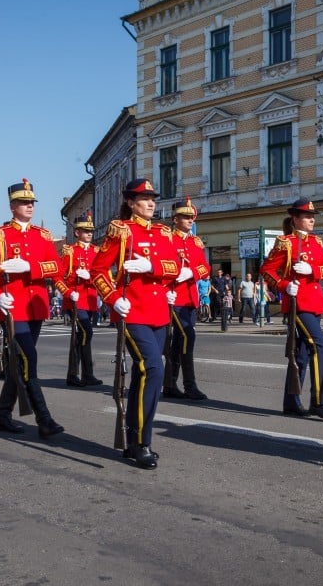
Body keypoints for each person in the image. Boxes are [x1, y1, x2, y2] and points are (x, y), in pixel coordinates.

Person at [92, 178, 180, 469]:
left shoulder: (163, 231)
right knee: (153, 368)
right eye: (143, 198)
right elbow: (98, 270)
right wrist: (114, 297)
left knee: (145, 376)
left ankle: (132, 440)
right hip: (132, 312)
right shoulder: (120, 230)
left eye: (152, 197)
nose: (151, 202)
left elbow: (175, 267)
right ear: (130, 202)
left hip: (158, 313)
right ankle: (142, 441)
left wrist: (151, 267)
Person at [0, 179, 64, 438]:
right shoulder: (0, 235)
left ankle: (3, 415)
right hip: (12, 308)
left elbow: (56, 267)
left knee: (20, 363)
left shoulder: (42, 235)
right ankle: (44, 419)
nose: (29, 206)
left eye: (32, 202)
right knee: (28, 361)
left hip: (35, 307)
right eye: (24, 202)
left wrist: (30, 267)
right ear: (12, 206)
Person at [260, 197, 323, 421]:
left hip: (314, 303)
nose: (311, 220)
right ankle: (319, 402)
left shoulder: (317, 242)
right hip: (298, 304)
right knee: (321, 346)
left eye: (313, 216)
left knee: (302, 354)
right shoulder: (286, 242)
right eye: (307, 216)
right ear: (295, 219)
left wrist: (311, 269)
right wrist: (284, 285)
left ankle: (291, 402)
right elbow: (266, 270)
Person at [163, 197, 210, 400]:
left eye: (192, 217)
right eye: (186, 217)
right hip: (174, 297)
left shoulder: (194, 241)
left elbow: (205, 267)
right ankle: (189, 385)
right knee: (187, 337)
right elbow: (161, 266)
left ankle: (170, 384)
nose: (190, 220)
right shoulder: (167, 239)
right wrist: (166, 288)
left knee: (178, 343)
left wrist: (192, 272)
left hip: (190, 297)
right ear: (175, 219)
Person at [56, 211, 103, 388]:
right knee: (86, 333)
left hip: (90, 299)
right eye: (85, 231)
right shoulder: (69, 251)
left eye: (91, 230)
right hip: (75, 300)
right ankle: (86, 373)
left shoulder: (96, 251)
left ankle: (74, 374)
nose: (89, 234)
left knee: (80, 337)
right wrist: (67, 293)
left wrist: (89, 278)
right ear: (77, 233)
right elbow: (60, 276)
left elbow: (100, 275)